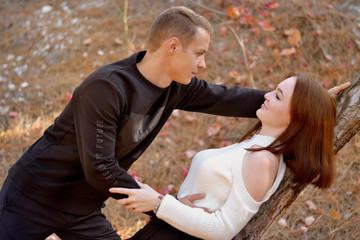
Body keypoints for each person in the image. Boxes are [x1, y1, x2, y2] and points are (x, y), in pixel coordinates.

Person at [0, 5, 349, 240]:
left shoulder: (177, 89)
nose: (203, 64)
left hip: (83, 210)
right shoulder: (107, 88)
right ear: (172, 47)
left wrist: (310, 105)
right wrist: (160, 205)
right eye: (199, 53)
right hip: (33, 198)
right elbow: (99, 167)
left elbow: (230, 97)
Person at [109, 73, 342, 240]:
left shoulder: (263, 160)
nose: (268, 95)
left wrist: (159, 203)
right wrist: (176, 206)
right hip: (169, 228)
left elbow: (224, 229)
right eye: (274, 90)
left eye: (278, 96)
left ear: (298, 117)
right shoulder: (257, 146)